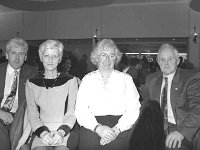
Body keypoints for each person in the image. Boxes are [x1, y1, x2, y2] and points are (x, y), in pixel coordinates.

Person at [75, 39, 141, 150]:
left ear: (116, 58)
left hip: (121, 125)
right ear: (97, 58)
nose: (107, 60)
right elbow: (80, 110)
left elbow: (134, 109)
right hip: (92, 125)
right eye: (103, 55)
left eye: (111, 56)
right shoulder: (87, 79)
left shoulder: (126, 79)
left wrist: (116, 130)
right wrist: (98, 128)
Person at [140, 44, 200, 150]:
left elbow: (198, 108)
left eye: (170, 59)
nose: (166, 63)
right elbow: (146, 106)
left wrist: (181, 132)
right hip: (156, 128)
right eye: (162, 59)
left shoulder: (191, 77)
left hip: (181, 128)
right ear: (158, 62)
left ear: (177, 61)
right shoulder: (151, 79)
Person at [25, 40, 79, 150]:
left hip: (65, 130)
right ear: (41, 58)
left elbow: (71, 112)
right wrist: (44, 134)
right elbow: (33, 115)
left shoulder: (71, 81)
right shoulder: (31, 83)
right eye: (46, 56)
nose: (50, 60)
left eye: (55, 56)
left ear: (60, 59)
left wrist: (60, 132)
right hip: (41, 131)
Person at [0, 37, 37, 150]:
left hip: (20, 116)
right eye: (13, 53)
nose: (17, 58)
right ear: (7, 55)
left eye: (21, 54)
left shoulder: (32, 73)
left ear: (25, 57)